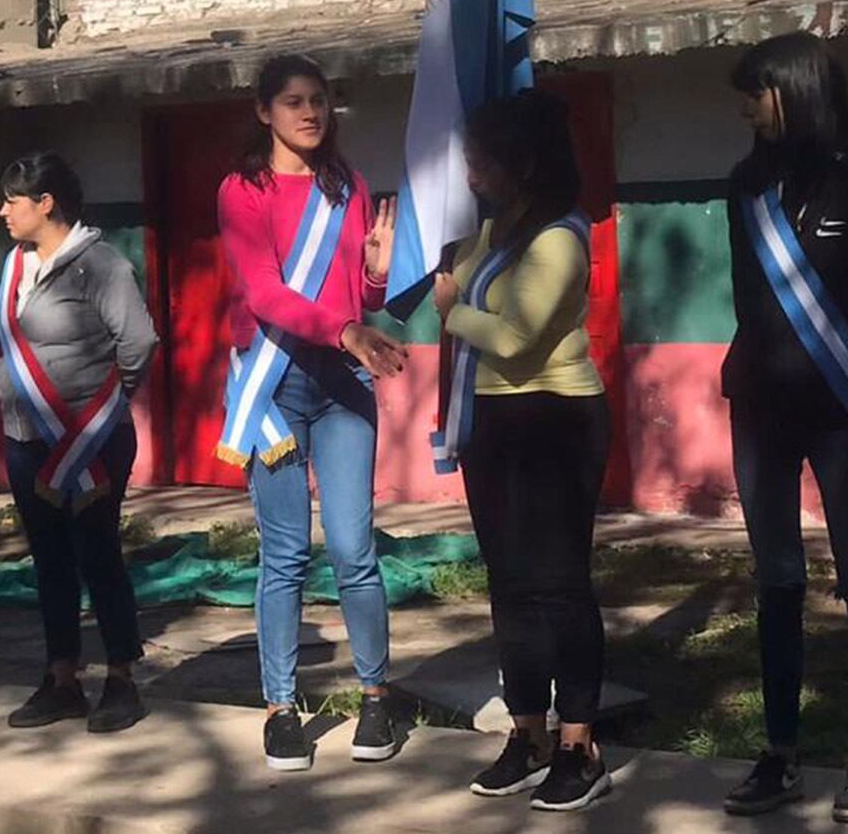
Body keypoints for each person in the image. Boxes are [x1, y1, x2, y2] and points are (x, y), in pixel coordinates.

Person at [719, 33, 848, 824]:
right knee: (777, 583)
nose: (743, 107)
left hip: (843, 413)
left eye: (755, 91)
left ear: (797, 90)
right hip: (762, 416)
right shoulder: (744, 183)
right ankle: (780, 753)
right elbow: (746, 295)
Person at [216, 53, 406, 771]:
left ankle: (378, 698)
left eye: (319, 100)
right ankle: (280, 706)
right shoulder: (243, 190)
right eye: (293, 101)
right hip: (273, 386)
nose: (309, 113)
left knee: (356, 548)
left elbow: (364, 299)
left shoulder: (347, 184)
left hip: (343, 384)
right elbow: (264, 294)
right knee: (286, 553)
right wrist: (347, 328)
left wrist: (378, 269)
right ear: (264, 111)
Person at [431, 90, 612, 812]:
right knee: (509, 585)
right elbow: (447, 286)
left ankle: (579, 743)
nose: (471, 172)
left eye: (483, 159)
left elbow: (511, 336)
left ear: (524, 162)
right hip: (494, 422)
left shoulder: (559, 237)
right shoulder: (497, 227)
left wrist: (454, 312)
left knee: (558, 584)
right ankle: (528, 730)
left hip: (555, 417)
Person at [0, 152, 159, 734]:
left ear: (46, 204)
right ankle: (61, 677)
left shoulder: (101, 265)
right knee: (50, 560)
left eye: (13, 200)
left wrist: (107, 405)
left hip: (91, 443)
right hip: (26, 440)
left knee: (98, 554)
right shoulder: (15, 265)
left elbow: (137, 343)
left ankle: (120, 676)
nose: (2, 211)